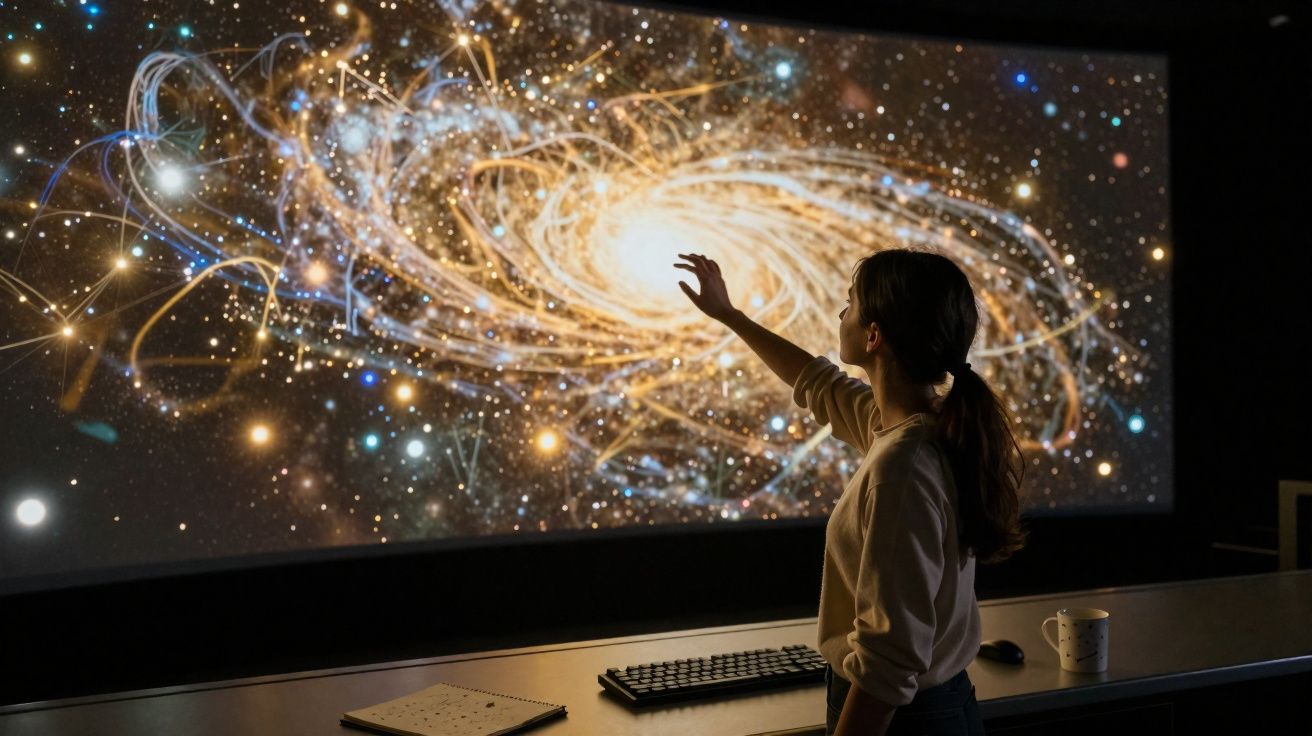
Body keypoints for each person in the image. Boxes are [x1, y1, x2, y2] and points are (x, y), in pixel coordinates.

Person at [674, 249, 1027, 736]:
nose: (841, 314)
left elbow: (889, 661)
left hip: (904, 720)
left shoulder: (903, 467)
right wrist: (730, 316)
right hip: (935, 706)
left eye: (850, 304)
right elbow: (817, 383)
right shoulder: (919, 429)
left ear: (874, 335)